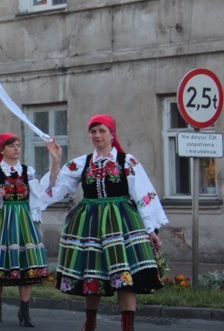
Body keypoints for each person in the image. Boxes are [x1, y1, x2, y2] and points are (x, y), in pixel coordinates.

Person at [42, 114, 168, 331]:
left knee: (126, 276)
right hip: (90, 224)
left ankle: (127, 325)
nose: (97, 135)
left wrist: (151, 230)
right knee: (93, 275)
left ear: (111, 134)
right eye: (93, 131)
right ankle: (90, 322)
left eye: (102, 131)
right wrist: (55, 160)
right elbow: (55, 190)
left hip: (122, 223)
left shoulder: (127, 161)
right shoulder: (82, 163)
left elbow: (143, 194)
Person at [0, 133, 61, 327]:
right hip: (0, 220)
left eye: (18, 145)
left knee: (26, 265)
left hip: (23, 220)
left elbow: (39, 197)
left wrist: (38, 224)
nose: (16, 148)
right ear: (1, 150)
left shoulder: (28, 172)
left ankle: (25, 311)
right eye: (11, 145)